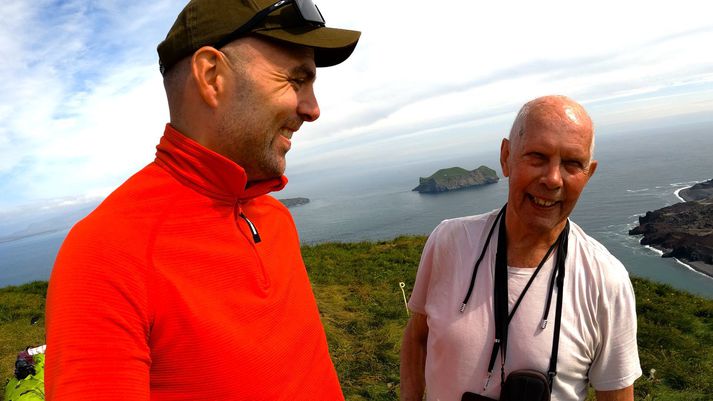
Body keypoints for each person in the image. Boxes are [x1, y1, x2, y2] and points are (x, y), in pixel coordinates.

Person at [45, 0, 360, 399]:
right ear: (212, 76)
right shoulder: (108, 256)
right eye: (296, 81)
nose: (313, 109)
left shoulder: (274, 216)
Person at [400, 96, 641, 401]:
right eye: (537, 157)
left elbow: (616, 394)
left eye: (572, 164)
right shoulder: (448, 242)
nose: (553, 179)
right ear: (506, 157)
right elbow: (417, 336)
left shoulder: (606, 281)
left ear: (588, 174)